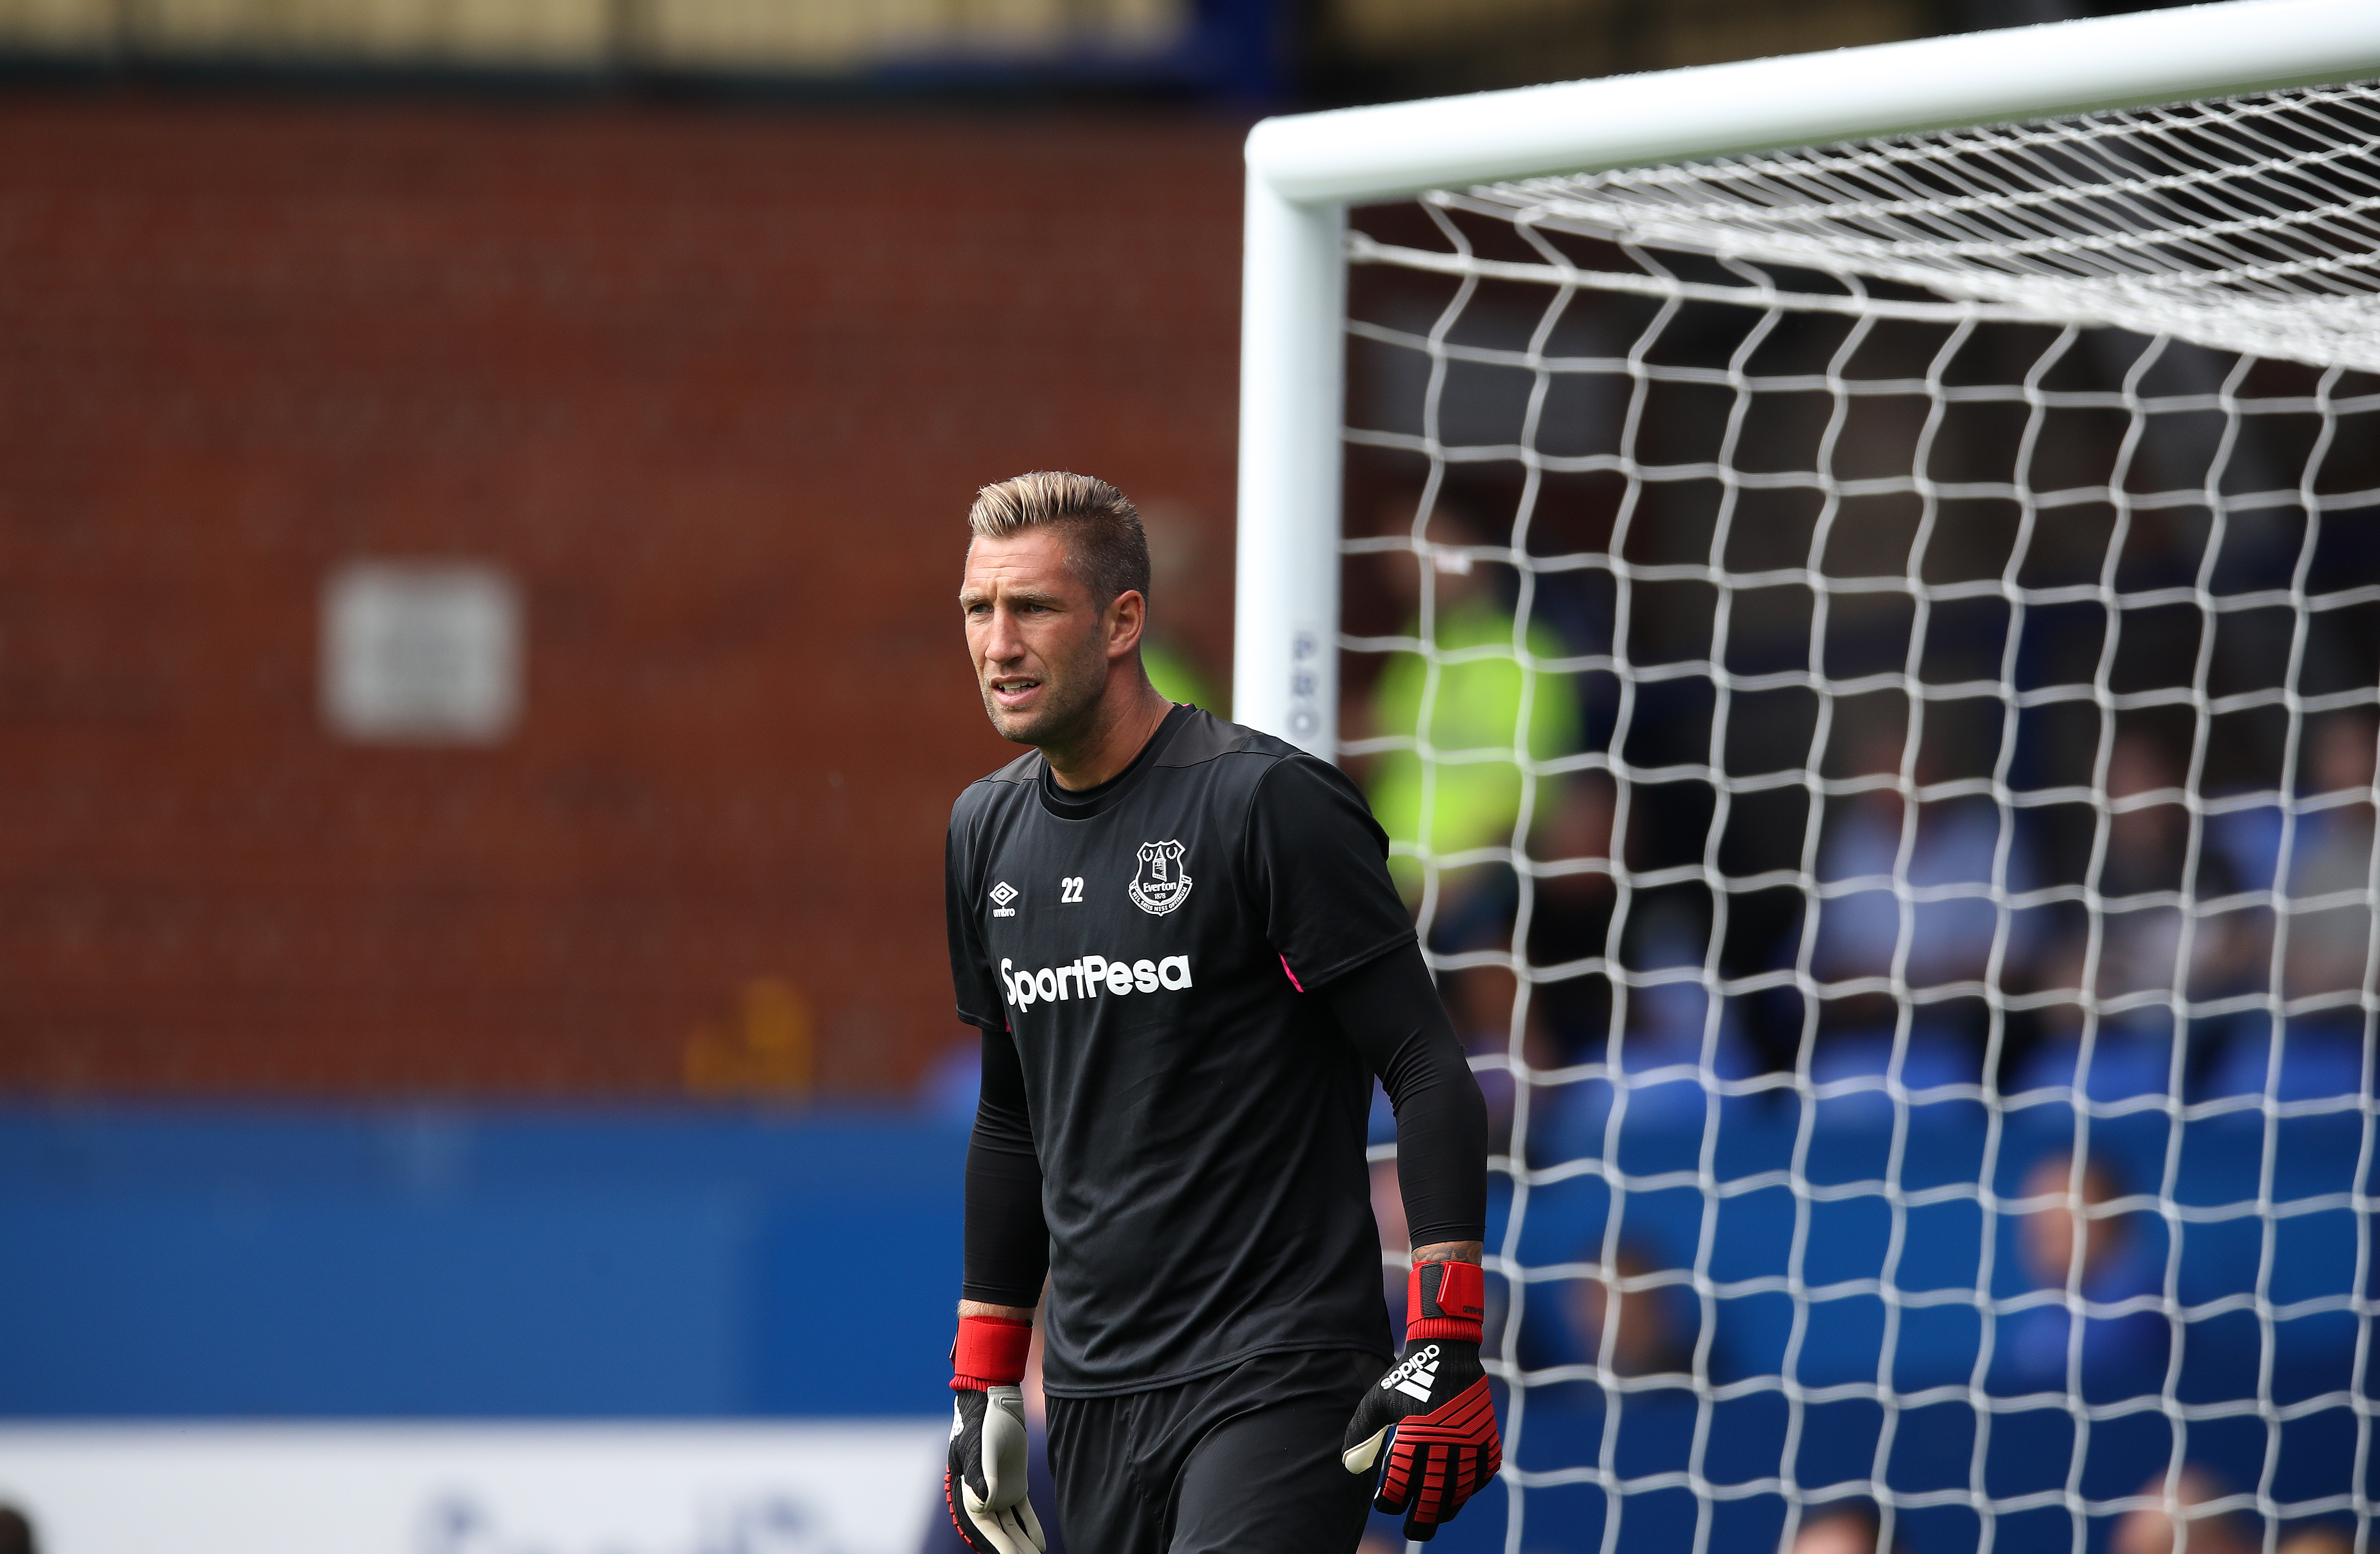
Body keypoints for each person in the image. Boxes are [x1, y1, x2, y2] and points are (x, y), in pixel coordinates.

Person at [940, 472, 1498, 1554]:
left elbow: (1427, 1066)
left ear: (1123, 622)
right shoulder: (982, 835)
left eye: (1033, 608)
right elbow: (1011, 1121)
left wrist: (1444, 1335)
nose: (997, 642)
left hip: (1280, 1373)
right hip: (1101, 1395)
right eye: (977, 609)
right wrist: (988, 1383)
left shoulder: (1264, 804)